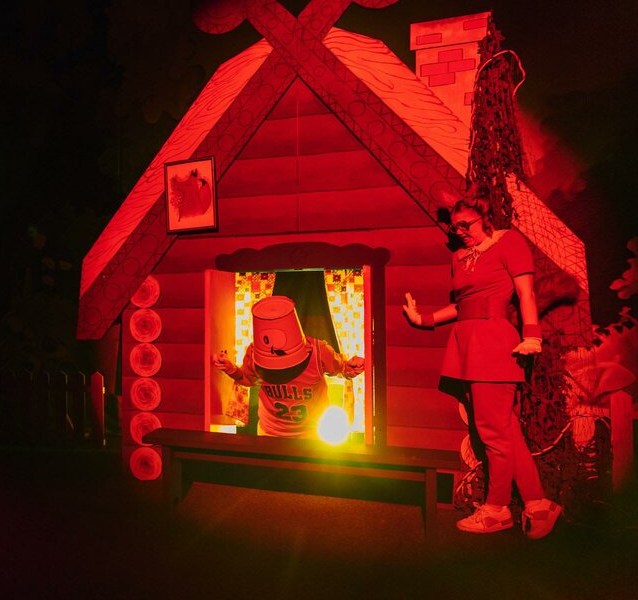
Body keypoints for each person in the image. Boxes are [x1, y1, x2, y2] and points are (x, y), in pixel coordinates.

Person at [403, 194, 562, 539]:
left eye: (465, 224)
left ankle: (497, 509)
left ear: (484, 218)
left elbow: (526, 294)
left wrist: (532, 334)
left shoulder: (509, 242)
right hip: (467, 343)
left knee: (492, 432)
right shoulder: (459, 257)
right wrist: (424, 319)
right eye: (454, 227)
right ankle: (538, 502)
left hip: (493, 342)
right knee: (505, 429)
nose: (459, 231)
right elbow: (462, 306)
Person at [212, 295, 364, 437]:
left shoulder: (319, 352)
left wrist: (351, 368)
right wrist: (231, 369)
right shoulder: (255, 353)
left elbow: (340, 369)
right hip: (268, 434)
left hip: (312, 435)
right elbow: (247, 379)